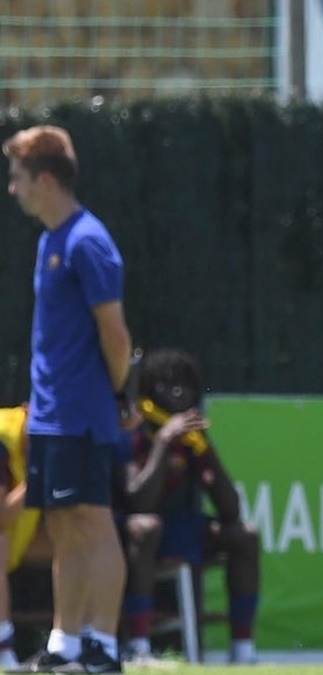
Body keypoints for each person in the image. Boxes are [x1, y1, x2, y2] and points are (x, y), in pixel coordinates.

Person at [4, 125, 131, 673]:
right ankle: (66, 644)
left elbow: (116, 337)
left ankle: (103, 646)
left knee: (93, 523)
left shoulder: (88, 241)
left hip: (81, 413)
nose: (12, 189)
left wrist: (116, 392)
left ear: (47, 180)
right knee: (59, 524)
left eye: (18, 178)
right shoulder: (49, 241)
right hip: (50, 414)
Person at [118, 348, 260, 664]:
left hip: (183, 527)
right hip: (132, 534)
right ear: (149, 390)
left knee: (245, 535)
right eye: (167, 384)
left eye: (186, 384)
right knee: (146, 526)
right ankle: (138, 645)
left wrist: (204, 447)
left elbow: (231, 509)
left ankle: (243, 650)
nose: (179, 391)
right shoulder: (135, 430)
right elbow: (138, 500)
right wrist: (164, 442)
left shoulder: (193, 437)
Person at [1, 405, 47, 669]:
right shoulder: (2, 436)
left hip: (21, 536)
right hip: (5, 534)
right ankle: (3, 647)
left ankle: (83, 640)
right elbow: (2, 516)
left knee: (76, 540)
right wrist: (39, 471)